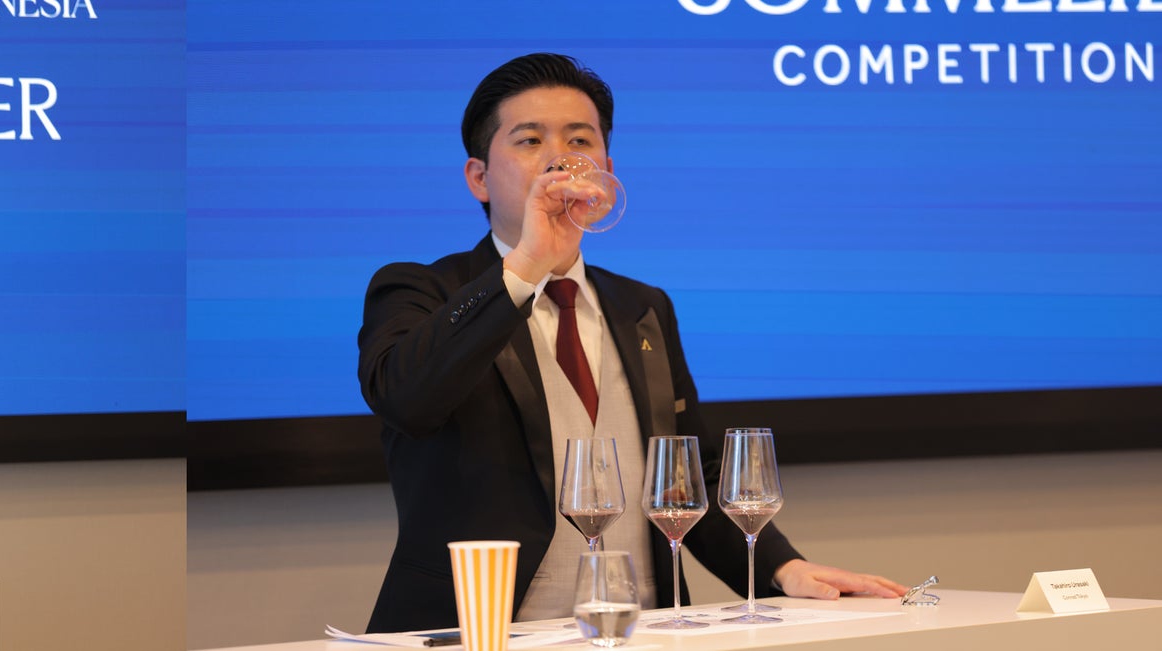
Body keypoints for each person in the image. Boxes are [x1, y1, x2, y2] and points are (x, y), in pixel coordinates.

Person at [356, 53, 905, 632]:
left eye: (579, 141)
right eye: (530, 141)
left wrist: (782, 566)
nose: (561, 161)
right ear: (479, 177)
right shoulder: (420, 290)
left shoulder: (642, 306)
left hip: (641, 631)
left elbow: (689, 478)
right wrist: (527, 266)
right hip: (483, 632)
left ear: (606, 169)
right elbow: (406, 399)